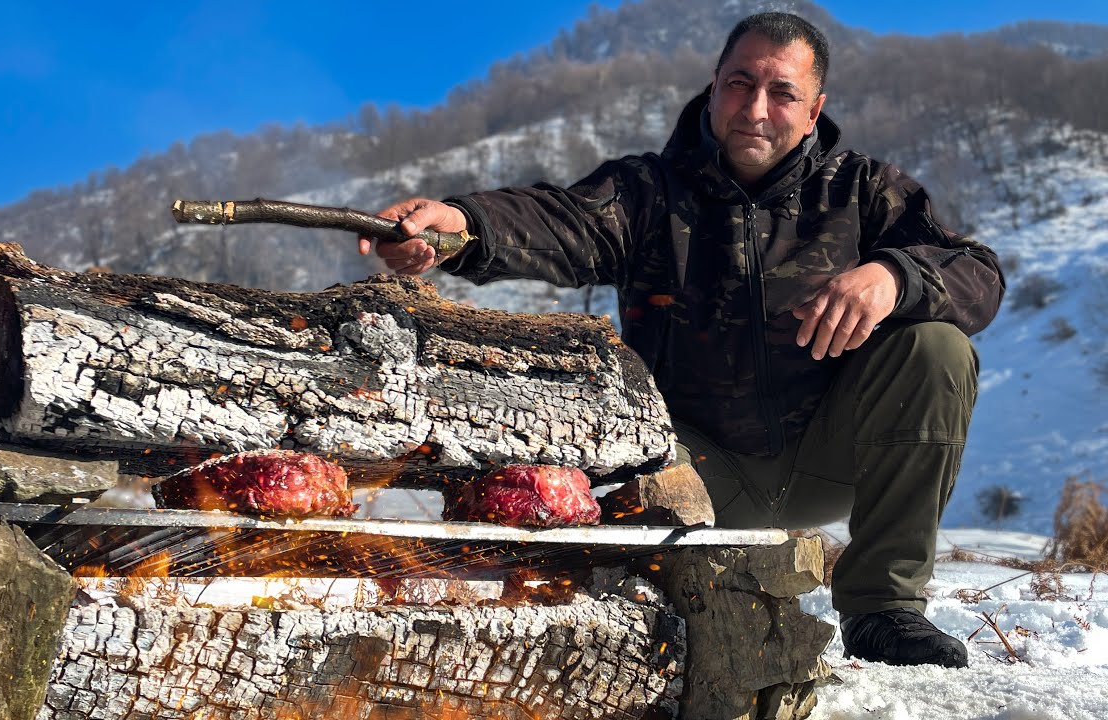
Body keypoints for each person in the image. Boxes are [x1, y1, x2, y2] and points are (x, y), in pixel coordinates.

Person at [358, 12, 1003, 669]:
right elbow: (556, 220)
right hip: (692, 473)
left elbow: (977, 272)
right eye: (739, 84)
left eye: (781, 93)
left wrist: (892, 277)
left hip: (827, 460)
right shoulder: (646, 193)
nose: (755, 108)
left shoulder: (862, 192)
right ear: (714, 86)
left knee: (936, 347)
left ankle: (883, 611)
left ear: (814, 112)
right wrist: (460, 222)